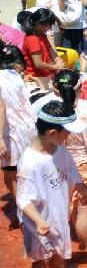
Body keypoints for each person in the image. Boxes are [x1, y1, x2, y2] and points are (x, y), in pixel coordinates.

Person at [17, 100, 87, 268]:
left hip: (57, 212)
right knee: (39, 259)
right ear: (52, 133)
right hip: (37, 221)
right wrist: (38, 221)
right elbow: (23, 198)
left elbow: (74, 176)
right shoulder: (30, 163)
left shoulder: (61, 151)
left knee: (58, 248)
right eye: (66, 132)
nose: (69, 135)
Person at [43, 70, 87, 250]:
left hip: (56, 163)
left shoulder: (49, 109)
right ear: (79, 87)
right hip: (83, 163)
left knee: (66, 203)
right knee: (84, 206)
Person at [0, 41, 37, 202]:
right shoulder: (13, 74)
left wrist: (0, 137)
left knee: (10, 174)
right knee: (28, 169)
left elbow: (0, 108)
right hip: (29, 126)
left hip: (11, 131)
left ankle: (23, 211)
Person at [22, 8, 63, 89]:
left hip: (46, 75)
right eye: (49, 25)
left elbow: (50, 50)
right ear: (41, 24)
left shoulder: (41, 34)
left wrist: (59, 61)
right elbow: (38, 64)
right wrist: (55, 67)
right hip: (35, 78)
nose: (49, 28)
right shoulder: (32, 39)